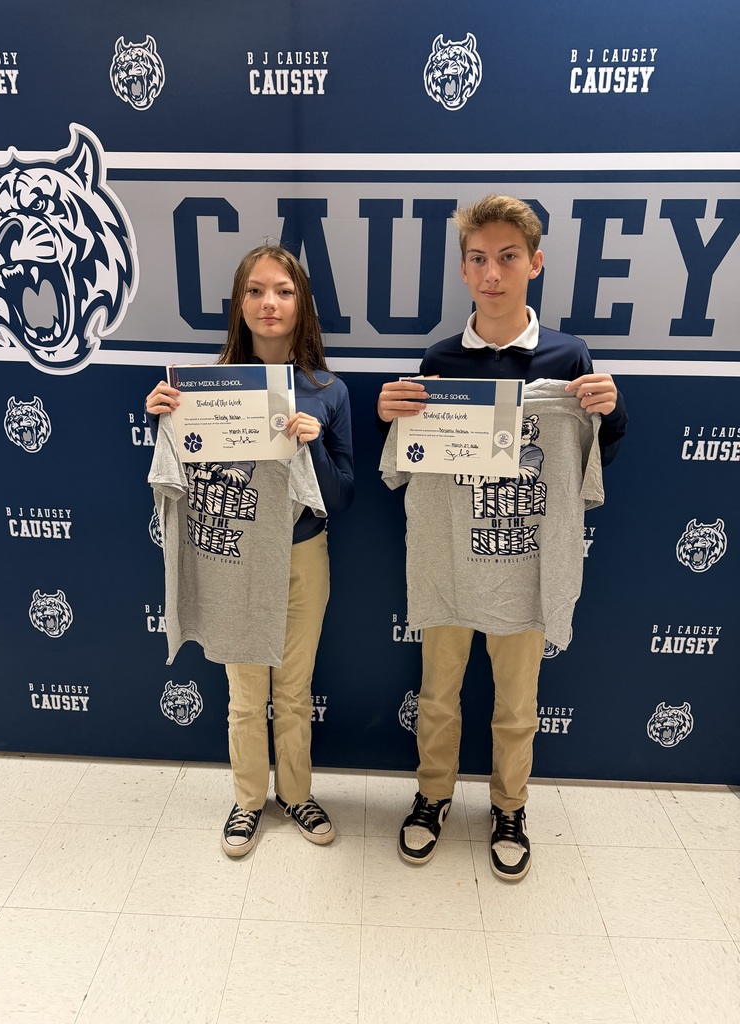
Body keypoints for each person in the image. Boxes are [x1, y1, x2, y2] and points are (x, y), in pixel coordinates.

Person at [377, 195, 627, 880]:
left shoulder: (568, 356)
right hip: (450, 563)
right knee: (438, 694)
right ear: (463, 270)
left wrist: (610, 411)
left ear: (535, 264)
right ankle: (432, 798)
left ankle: (509, 806)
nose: (493, 273)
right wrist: (386, 415)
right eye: (479, 259)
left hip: (525, 564)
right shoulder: (438, 359)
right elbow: (409, 460)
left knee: (518, 704)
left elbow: (596, 455)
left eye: (508, 258)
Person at [147, 245, 355, 857]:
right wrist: (163, 419)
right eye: (258, 291)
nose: (270, 303)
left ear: (301, 304)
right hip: (233, 558)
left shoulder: (327, 390)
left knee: (293, 689)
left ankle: (295, 792)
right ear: (240, 304)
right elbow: (182, 476)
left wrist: (313, 445)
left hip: (302, 555)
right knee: (245, 693)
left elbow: (342, 499)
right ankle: (246, 800)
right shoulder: (198, 390)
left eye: (284, 291)